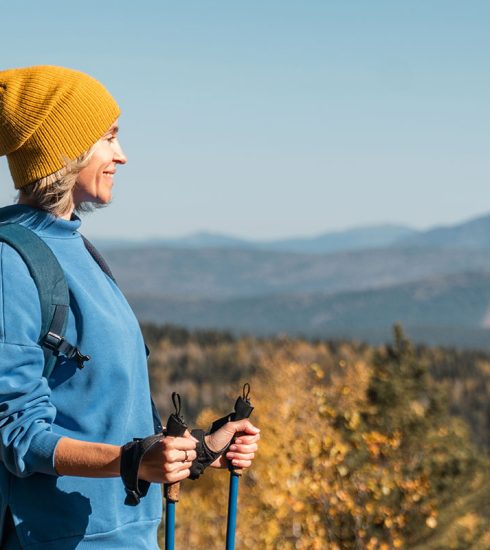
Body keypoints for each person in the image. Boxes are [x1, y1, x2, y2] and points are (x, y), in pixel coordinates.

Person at [0, 65, 260, 549]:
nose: (122, 155)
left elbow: (99, 412)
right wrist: (130, 462)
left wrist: (197, 451)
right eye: (109, 138)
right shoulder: (11, 261)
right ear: (66, 150)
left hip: (122, 535)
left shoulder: (76, 248)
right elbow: (15, 433)